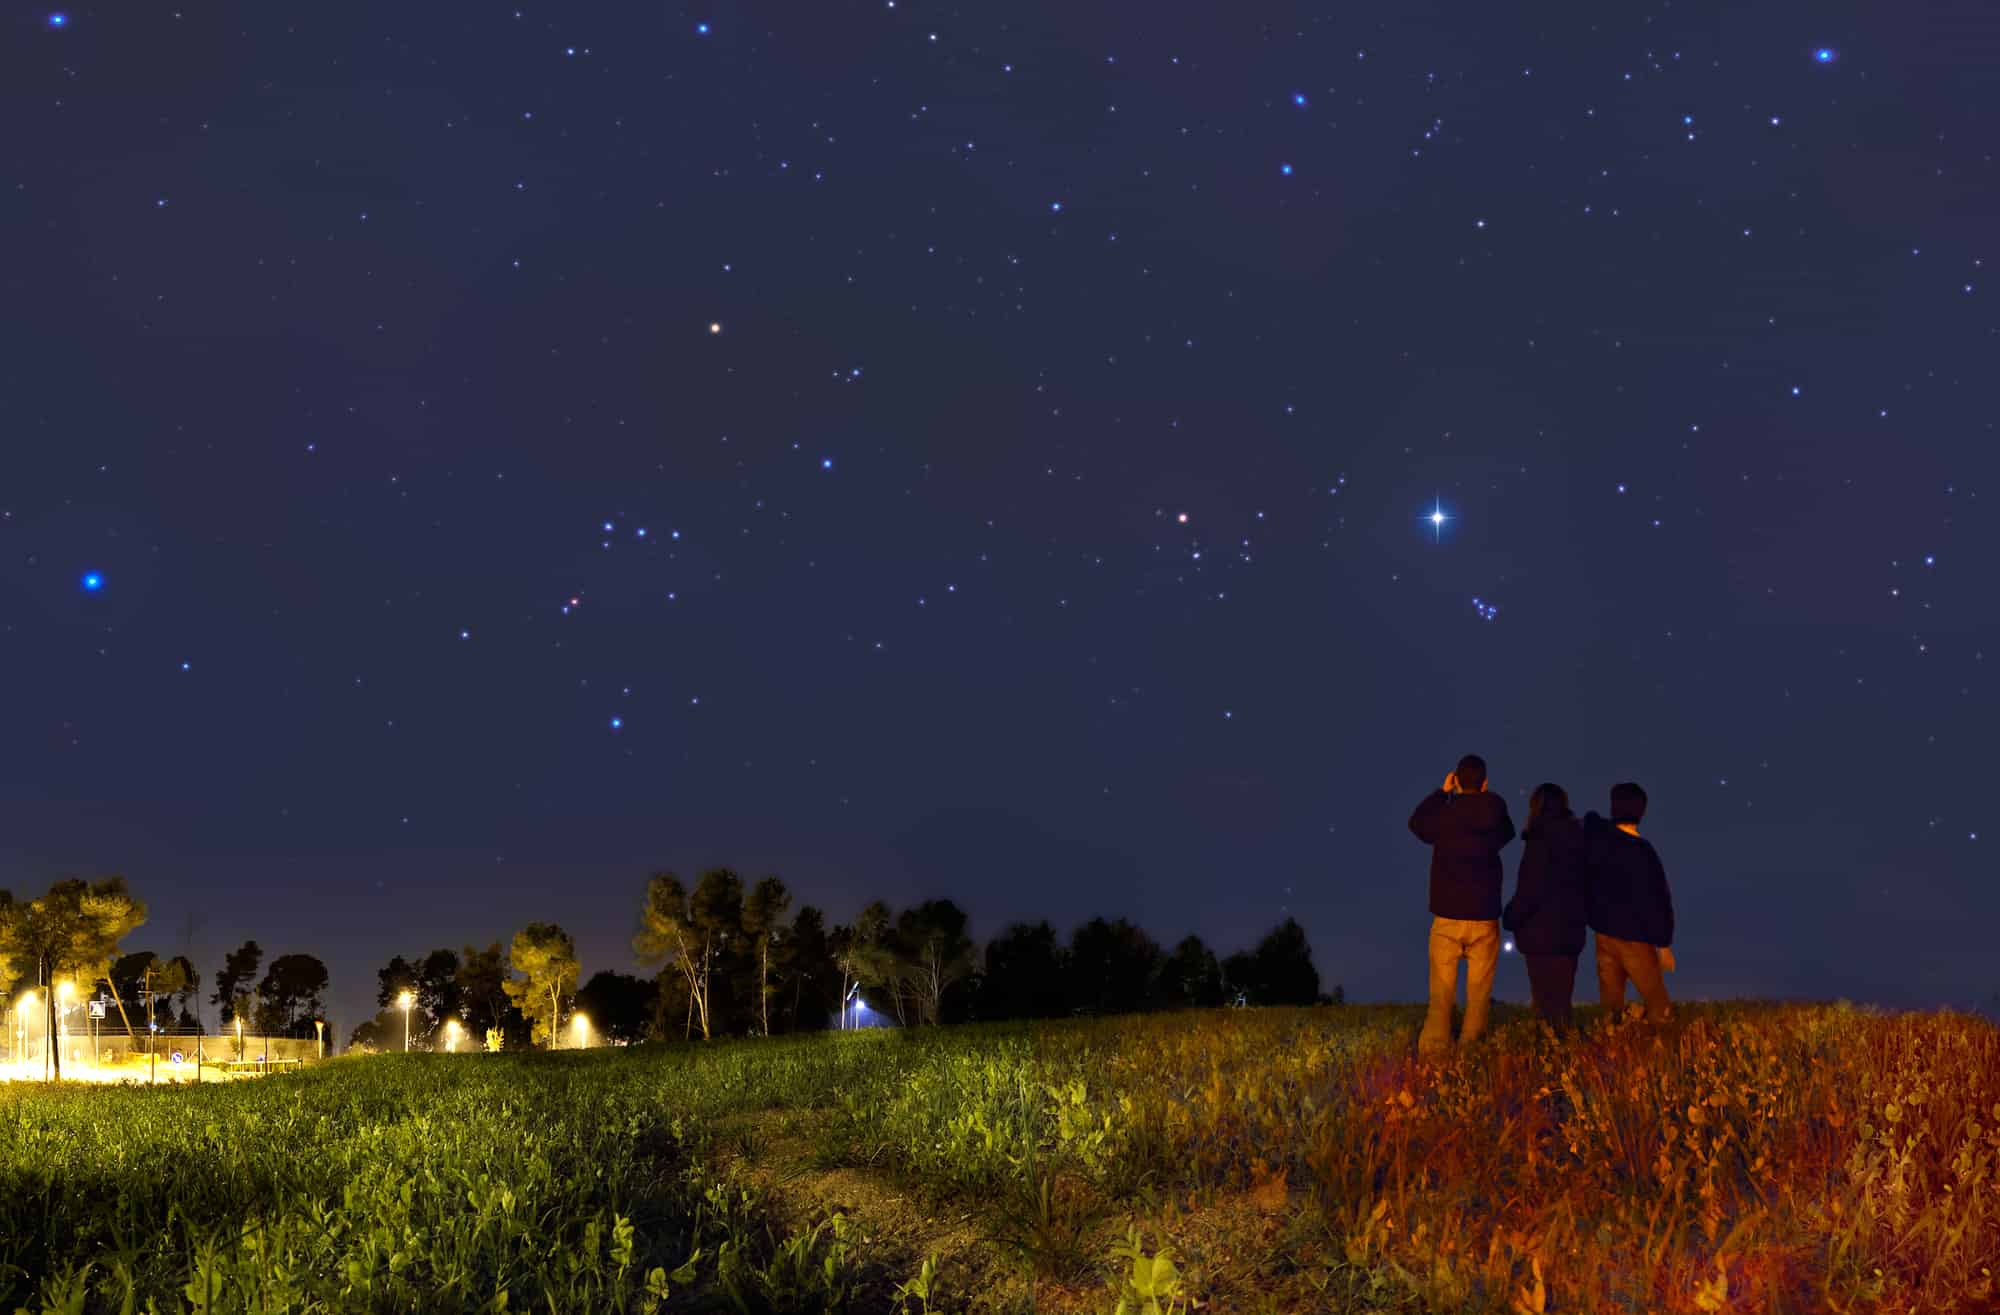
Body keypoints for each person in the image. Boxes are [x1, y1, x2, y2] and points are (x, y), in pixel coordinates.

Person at [1408, 754, 1517, 1055]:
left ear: (1455, 780)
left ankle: (1435, 1049)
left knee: (1441, 991)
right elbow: (1508, 831)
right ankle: (1472, 1046)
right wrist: (1487, 799)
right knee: (1479, 992)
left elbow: (1416, 824)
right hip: (1484, 916)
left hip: (1447, 916)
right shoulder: (1495, 813)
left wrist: (1443, 794)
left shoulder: (1445, 815)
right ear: (1484, 783)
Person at [1584, 781, 1676, 1022]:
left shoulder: (1598, 841)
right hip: (1635, 938)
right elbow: (1658, 900)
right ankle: (1659, 1051)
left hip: (1603, 933)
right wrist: (1664, 945)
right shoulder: (1643, 853)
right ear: (1641, 811)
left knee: (1610, 1003)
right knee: (1658, 1003)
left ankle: (1611, 1048)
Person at [1501, 783, 1589, 1033]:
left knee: (1545, 1002)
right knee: (1562, 1001)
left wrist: (1510, 916)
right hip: (1571, 932)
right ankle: (1566, 1052)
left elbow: (1531, 889)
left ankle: (1550, 1053)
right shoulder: (1579, 840)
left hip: (1540, 936)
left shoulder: (1538, 840)